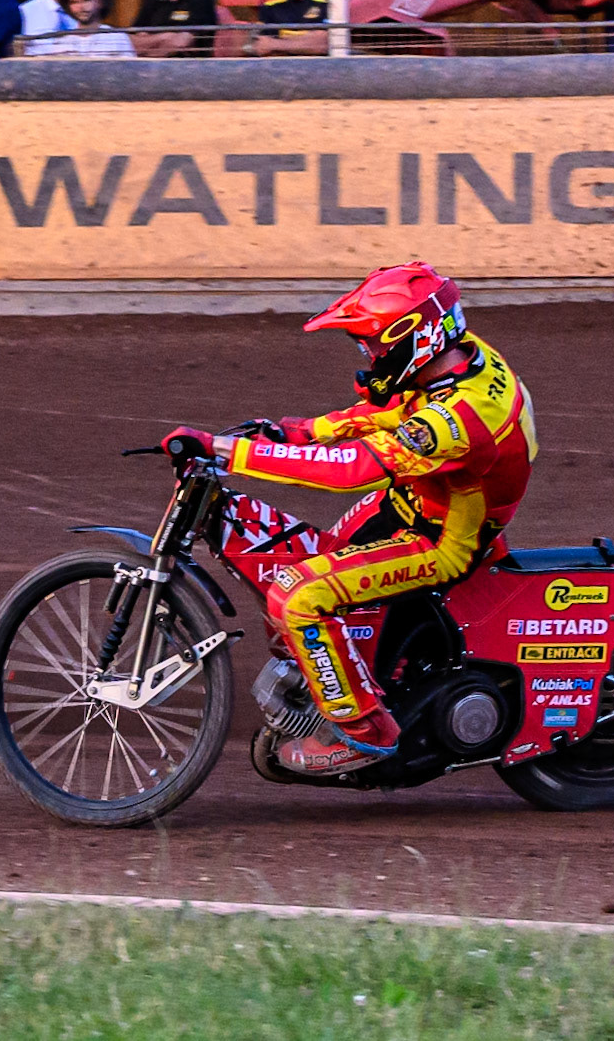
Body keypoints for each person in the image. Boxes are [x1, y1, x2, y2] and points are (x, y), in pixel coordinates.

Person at [161, 263, 535, 774]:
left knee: (299, 594)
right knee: (313, 561)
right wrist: (293, 432)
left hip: (441, 540)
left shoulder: (462, 415)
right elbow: (392, 411)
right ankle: (338, 676)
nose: (368, 358)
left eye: (374, 346)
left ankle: (363, 734)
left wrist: (230, 452)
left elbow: (355, 469)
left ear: (414, 338)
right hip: (414, 500)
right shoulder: (457, 362)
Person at [42, 0, 133, 56]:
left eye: (86, 0)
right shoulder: (62, 41)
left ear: (99, 3)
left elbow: (129, 71)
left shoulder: (117, 37)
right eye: (74, 2)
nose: (81, 7)